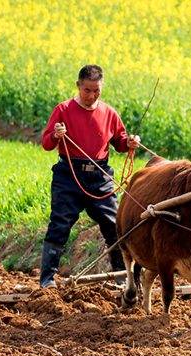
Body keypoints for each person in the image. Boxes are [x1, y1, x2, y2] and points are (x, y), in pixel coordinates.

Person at [39, 64, 140, 288]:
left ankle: (123, 278)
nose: (92, 95)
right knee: (59, 225)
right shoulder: (63, 110)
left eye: (97, 91)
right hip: (69, 175)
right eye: (87, 90)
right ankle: (47, 279)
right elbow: (46, 143)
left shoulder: (109, 113)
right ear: (78, 86)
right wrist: (56, 135)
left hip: (100, 176)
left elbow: (121, 142)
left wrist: (130, 142)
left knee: (115, 226)